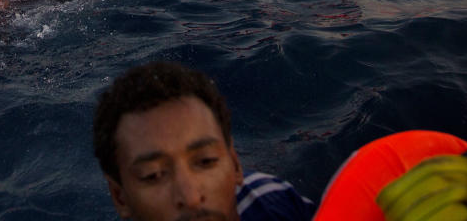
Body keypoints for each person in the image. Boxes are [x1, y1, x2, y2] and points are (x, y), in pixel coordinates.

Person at [93, 62, 316, 221]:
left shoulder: (270, 200)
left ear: (236, 165)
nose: (190, 198)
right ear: (120, 198)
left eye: (206, 161)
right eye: (153, 175)